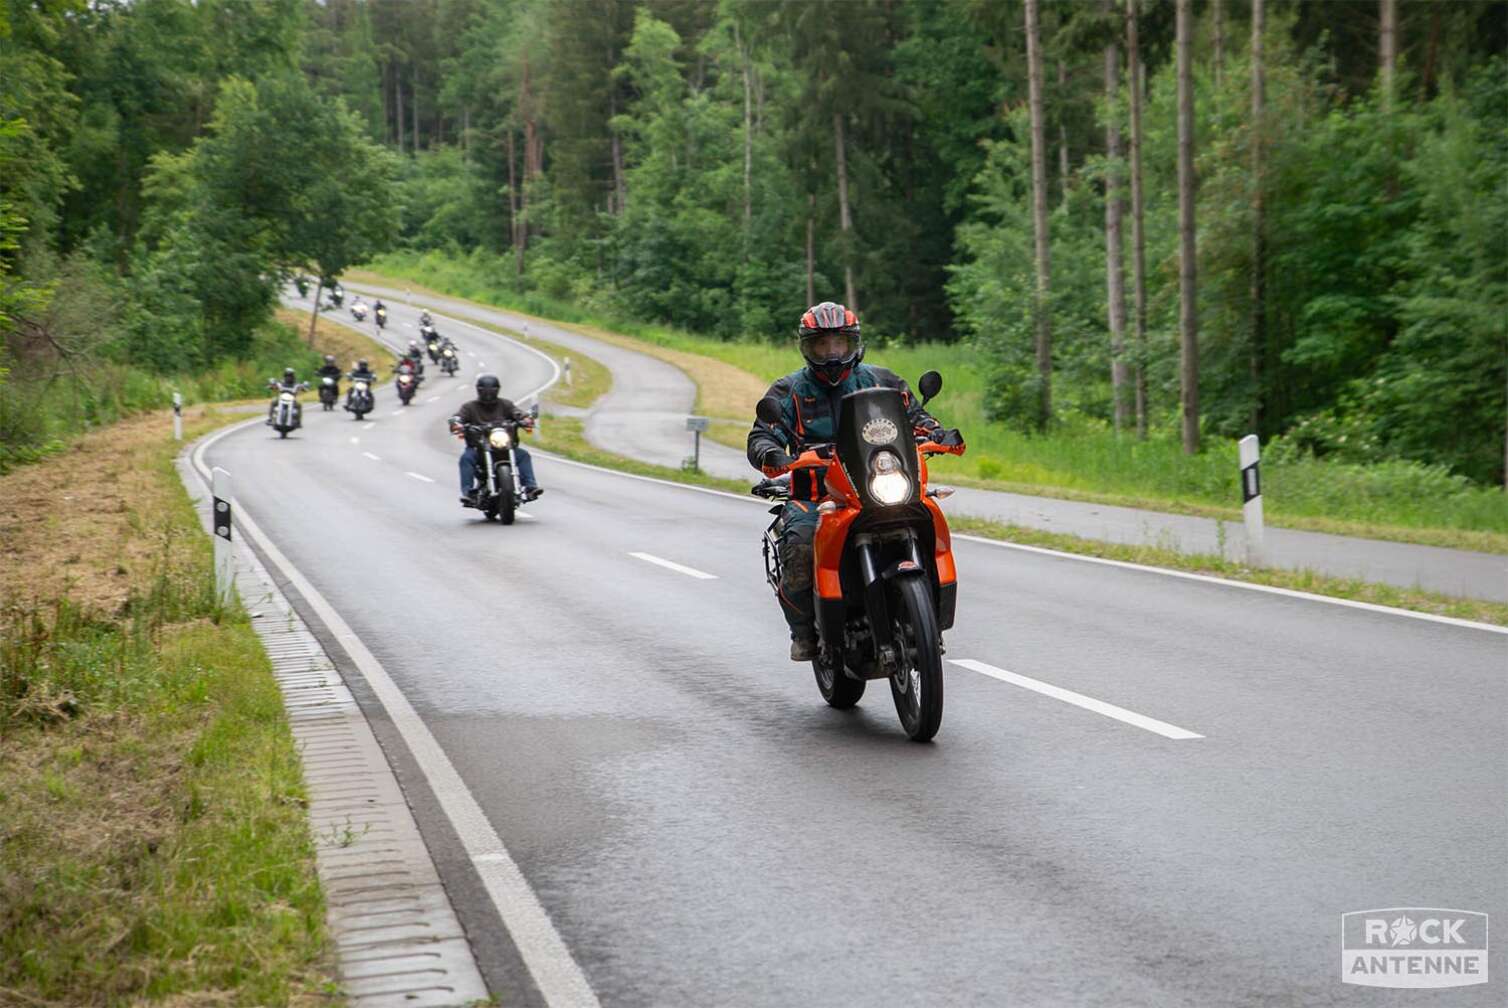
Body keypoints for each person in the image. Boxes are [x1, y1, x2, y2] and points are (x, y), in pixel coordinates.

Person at [746, 302, 962, 661]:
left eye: (839, 344)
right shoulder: (789, 391)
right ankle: (804, 632)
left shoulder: (882, 382)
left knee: (928, 513)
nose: (831, 353)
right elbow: (762, 435)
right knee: (799, 541)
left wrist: (941, 434)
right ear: (808, 347)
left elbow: (916, 415)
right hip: (816, 494)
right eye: (822, 345)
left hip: (877, 487)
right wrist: (772, 454)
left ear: (853, 343)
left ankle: (928, 617)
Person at [449, 374, 543, 506]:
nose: (488, 393)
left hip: (504, 447)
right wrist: (457, 423)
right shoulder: (469, 407)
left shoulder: (505, 404)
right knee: (466, 459)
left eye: (491, 390)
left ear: (497, 390)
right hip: (479, 449)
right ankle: (468, 493)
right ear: (479, 390)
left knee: (523, 456)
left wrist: (525, 419)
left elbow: (517, 412)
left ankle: (530, 487)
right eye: (485, 390)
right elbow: (459, 417)